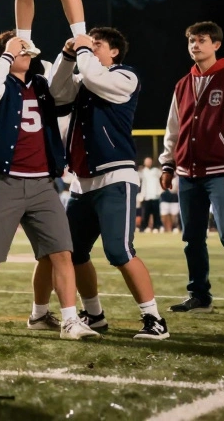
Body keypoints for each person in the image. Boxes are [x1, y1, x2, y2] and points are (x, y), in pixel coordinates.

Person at [0, 31, 96, 340]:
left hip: (43, 184)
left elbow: (62, 82)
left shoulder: (42, 82)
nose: (27, 53)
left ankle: (71, 320)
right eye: (21, 50)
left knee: (61, 253)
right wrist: (6, 55)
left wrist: (68, 53)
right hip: (3, 183)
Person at [48, 29, 168, 340]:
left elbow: (97, 80)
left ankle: (154, 318)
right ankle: (95, 313)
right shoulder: (83, 76)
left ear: (114, 52)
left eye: (97, 43)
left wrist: (84, 50)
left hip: (115, 176)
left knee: (119, 251)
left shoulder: (125, 76)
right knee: (72, 253)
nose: (88, 46)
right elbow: (56, 90)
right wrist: (67, 55)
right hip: (81, 180)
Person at [159, 21, 224, 317]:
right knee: (191, 237)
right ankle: (199, 294)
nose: (195, 45)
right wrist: (168, 163)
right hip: (188, 175)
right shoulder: (182, 84)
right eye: (191, 40)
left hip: (221, 171)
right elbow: (173, 129)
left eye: (202, 40)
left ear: (216, 45)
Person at [137, 158, 163, 233]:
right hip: (146, 196)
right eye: (147, 162)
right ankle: (143, 227)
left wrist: (161, 190)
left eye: (149, 161)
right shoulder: (142, 172)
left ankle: (156, 227)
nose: (148, 163)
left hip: (156, 195)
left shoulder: (156, 171)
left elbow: (162, 178)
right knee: (145, 213)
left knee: (156, 213)